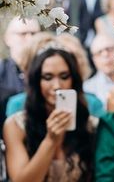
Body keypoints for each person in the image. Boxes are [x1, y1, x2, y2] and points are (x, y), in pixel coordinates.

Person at [3, 46, 97, 181]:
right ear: (37, 81)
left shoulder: (91, 126)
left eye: (64, 76)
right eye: (48, 77)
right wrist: (50, 140)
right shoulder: (16, 125)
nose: (57, 85)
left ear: (73, 80)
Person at [0, 17, 40, 129]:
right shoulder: (2, 71)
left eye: (34, 33)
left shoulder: (49, 71)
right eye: (23, 34)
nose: (30, 39)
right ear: (7, 38)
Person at [84, 34, 114, 111]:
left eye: (109, 49)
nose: (105, 55)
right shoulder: (87, 89)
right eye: (99, 52)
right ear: (94, 60)